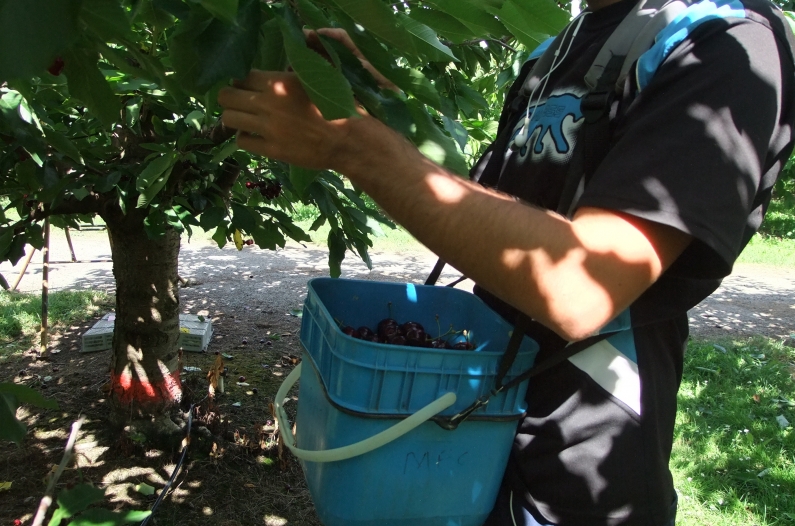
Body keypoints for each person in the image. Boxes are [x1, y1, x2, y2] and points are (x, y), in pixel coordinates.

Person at [218, 0, 795, 522]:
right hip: (475, 437)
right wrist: (378, 105)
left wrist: (354, 145)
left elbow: (581, 289)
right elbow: (482, 217)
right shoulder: (556, 53)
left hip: (578, 471)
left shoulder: (726, 39)